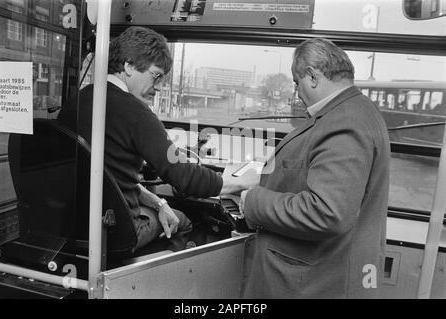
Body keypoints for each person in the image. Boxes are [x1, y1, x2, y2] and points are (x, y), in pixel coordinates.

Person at [57, 26, 255, 253]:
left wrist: (159, 203)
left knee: (165, 209)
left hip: (71, 225)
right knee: (185, 221)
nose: (159, 87)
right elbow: (184, 177)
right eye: (156, 75)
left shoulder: (76, 101)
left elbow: (107, 178)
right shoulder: (136, 114)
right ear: (129, 66)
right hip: (116, 231)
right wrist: (242, 183)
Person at [239, 38, 390, 298]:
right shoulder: (353, 111)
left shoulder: (345, 122)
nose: (297, 93)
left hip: (311, 281)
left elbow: (326, 212)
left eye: (297, 83)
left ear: (312, 76)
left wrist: (253, 200)